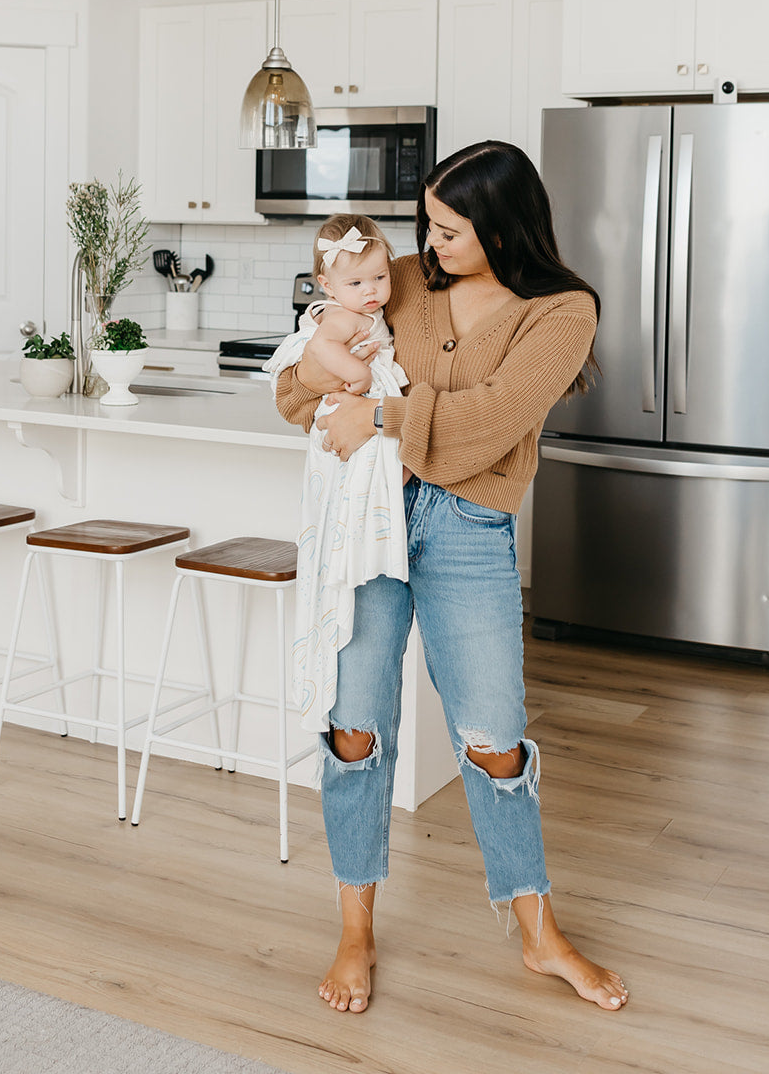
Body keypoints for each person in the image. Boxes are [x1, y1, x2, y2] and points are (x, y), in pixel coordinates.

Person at [273, 141, 629, 1015]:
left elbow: (496, 419)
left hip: (467, 527)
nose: (428, 244)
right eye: (425, 225)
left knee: (493, 737)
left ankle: (538, 935)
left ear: (502, 229)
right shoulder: (397, 281)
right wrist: (320, 366)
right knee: (353, 728)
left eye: (448, 230)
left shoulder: (560, 311)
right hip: (370, 523)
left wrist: (378, 415)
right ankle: (354, 930)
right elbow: (293, 394)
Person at [264, 215, 409, 736]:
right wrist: (361, 375)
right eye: (357, 282)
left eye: (380, 278)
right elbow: (319, 351)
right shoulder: (345, 317)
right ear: (326, 286)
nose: (371, 291)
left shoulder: (364, 308)